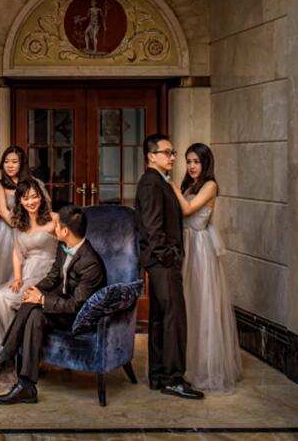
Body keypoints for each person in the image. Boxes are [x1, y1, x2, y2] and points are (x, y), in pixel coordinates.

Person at [0, 205, 106, 405]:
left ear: (65, 231)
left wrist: (43, 299)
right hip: (62, 307)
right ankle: (26, 385)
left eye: (57, 225)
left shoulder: (91, 263)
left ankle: (5, 357)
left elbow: (76, 305)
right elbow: (53, 276)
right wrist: (34, 290)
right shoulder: (64, 247)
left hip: (79, 317)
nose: (53, 227)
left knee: (35, 305)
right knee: (33, 310)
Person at [135, 133, 204, 400]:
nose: (172, 157)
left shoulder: (156, 181)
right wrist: (168, 255)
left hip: (159, 261)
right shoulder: (152, 184)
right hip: (163, 262)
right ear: (151, 156)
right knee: (174, 319)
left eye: (173, 153)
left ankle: (159, 376)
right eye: (167, 152)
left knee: (160, 318)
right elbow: (153, 227)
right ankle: (173, 379)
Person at [171, 143, 241, 394]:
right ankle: (187, 363)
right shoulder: (188, 185)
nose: (191, 166)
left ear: (206, 163)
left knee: (202, 304)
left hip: (200, 249)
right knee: (188, 304)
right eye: (188, 161)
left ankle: (206, 368)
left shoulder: (210, 185)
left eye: (196, 162)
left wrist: (171, 187)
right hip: (186, 244)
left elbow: (188, 209)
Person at [0, 177, 57, 350]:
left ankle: (13, 349)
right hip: (27, 271)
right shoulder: (20, 224)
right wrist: (17, 277)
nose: (31, 202)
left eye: (34, 197)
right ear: (20, 201)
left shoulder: (54, 219)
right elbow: (17, 253)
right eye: (26, 198)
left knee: (7, 299)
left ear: (41, 197)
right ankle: (2, 351)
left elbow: (66, 248)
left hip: (48, 273)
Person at [0, 146, 29, 290]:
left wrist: (30, 229)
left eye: (14, 162)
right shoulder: (0, 184)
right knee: (5, 268)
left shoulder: (31, 183)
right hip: (7, 230)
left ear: (22, 164)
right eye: (6, 162)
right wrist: (21, 227)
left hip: (29, 228)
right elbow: (3, 211)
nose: (10, 165)